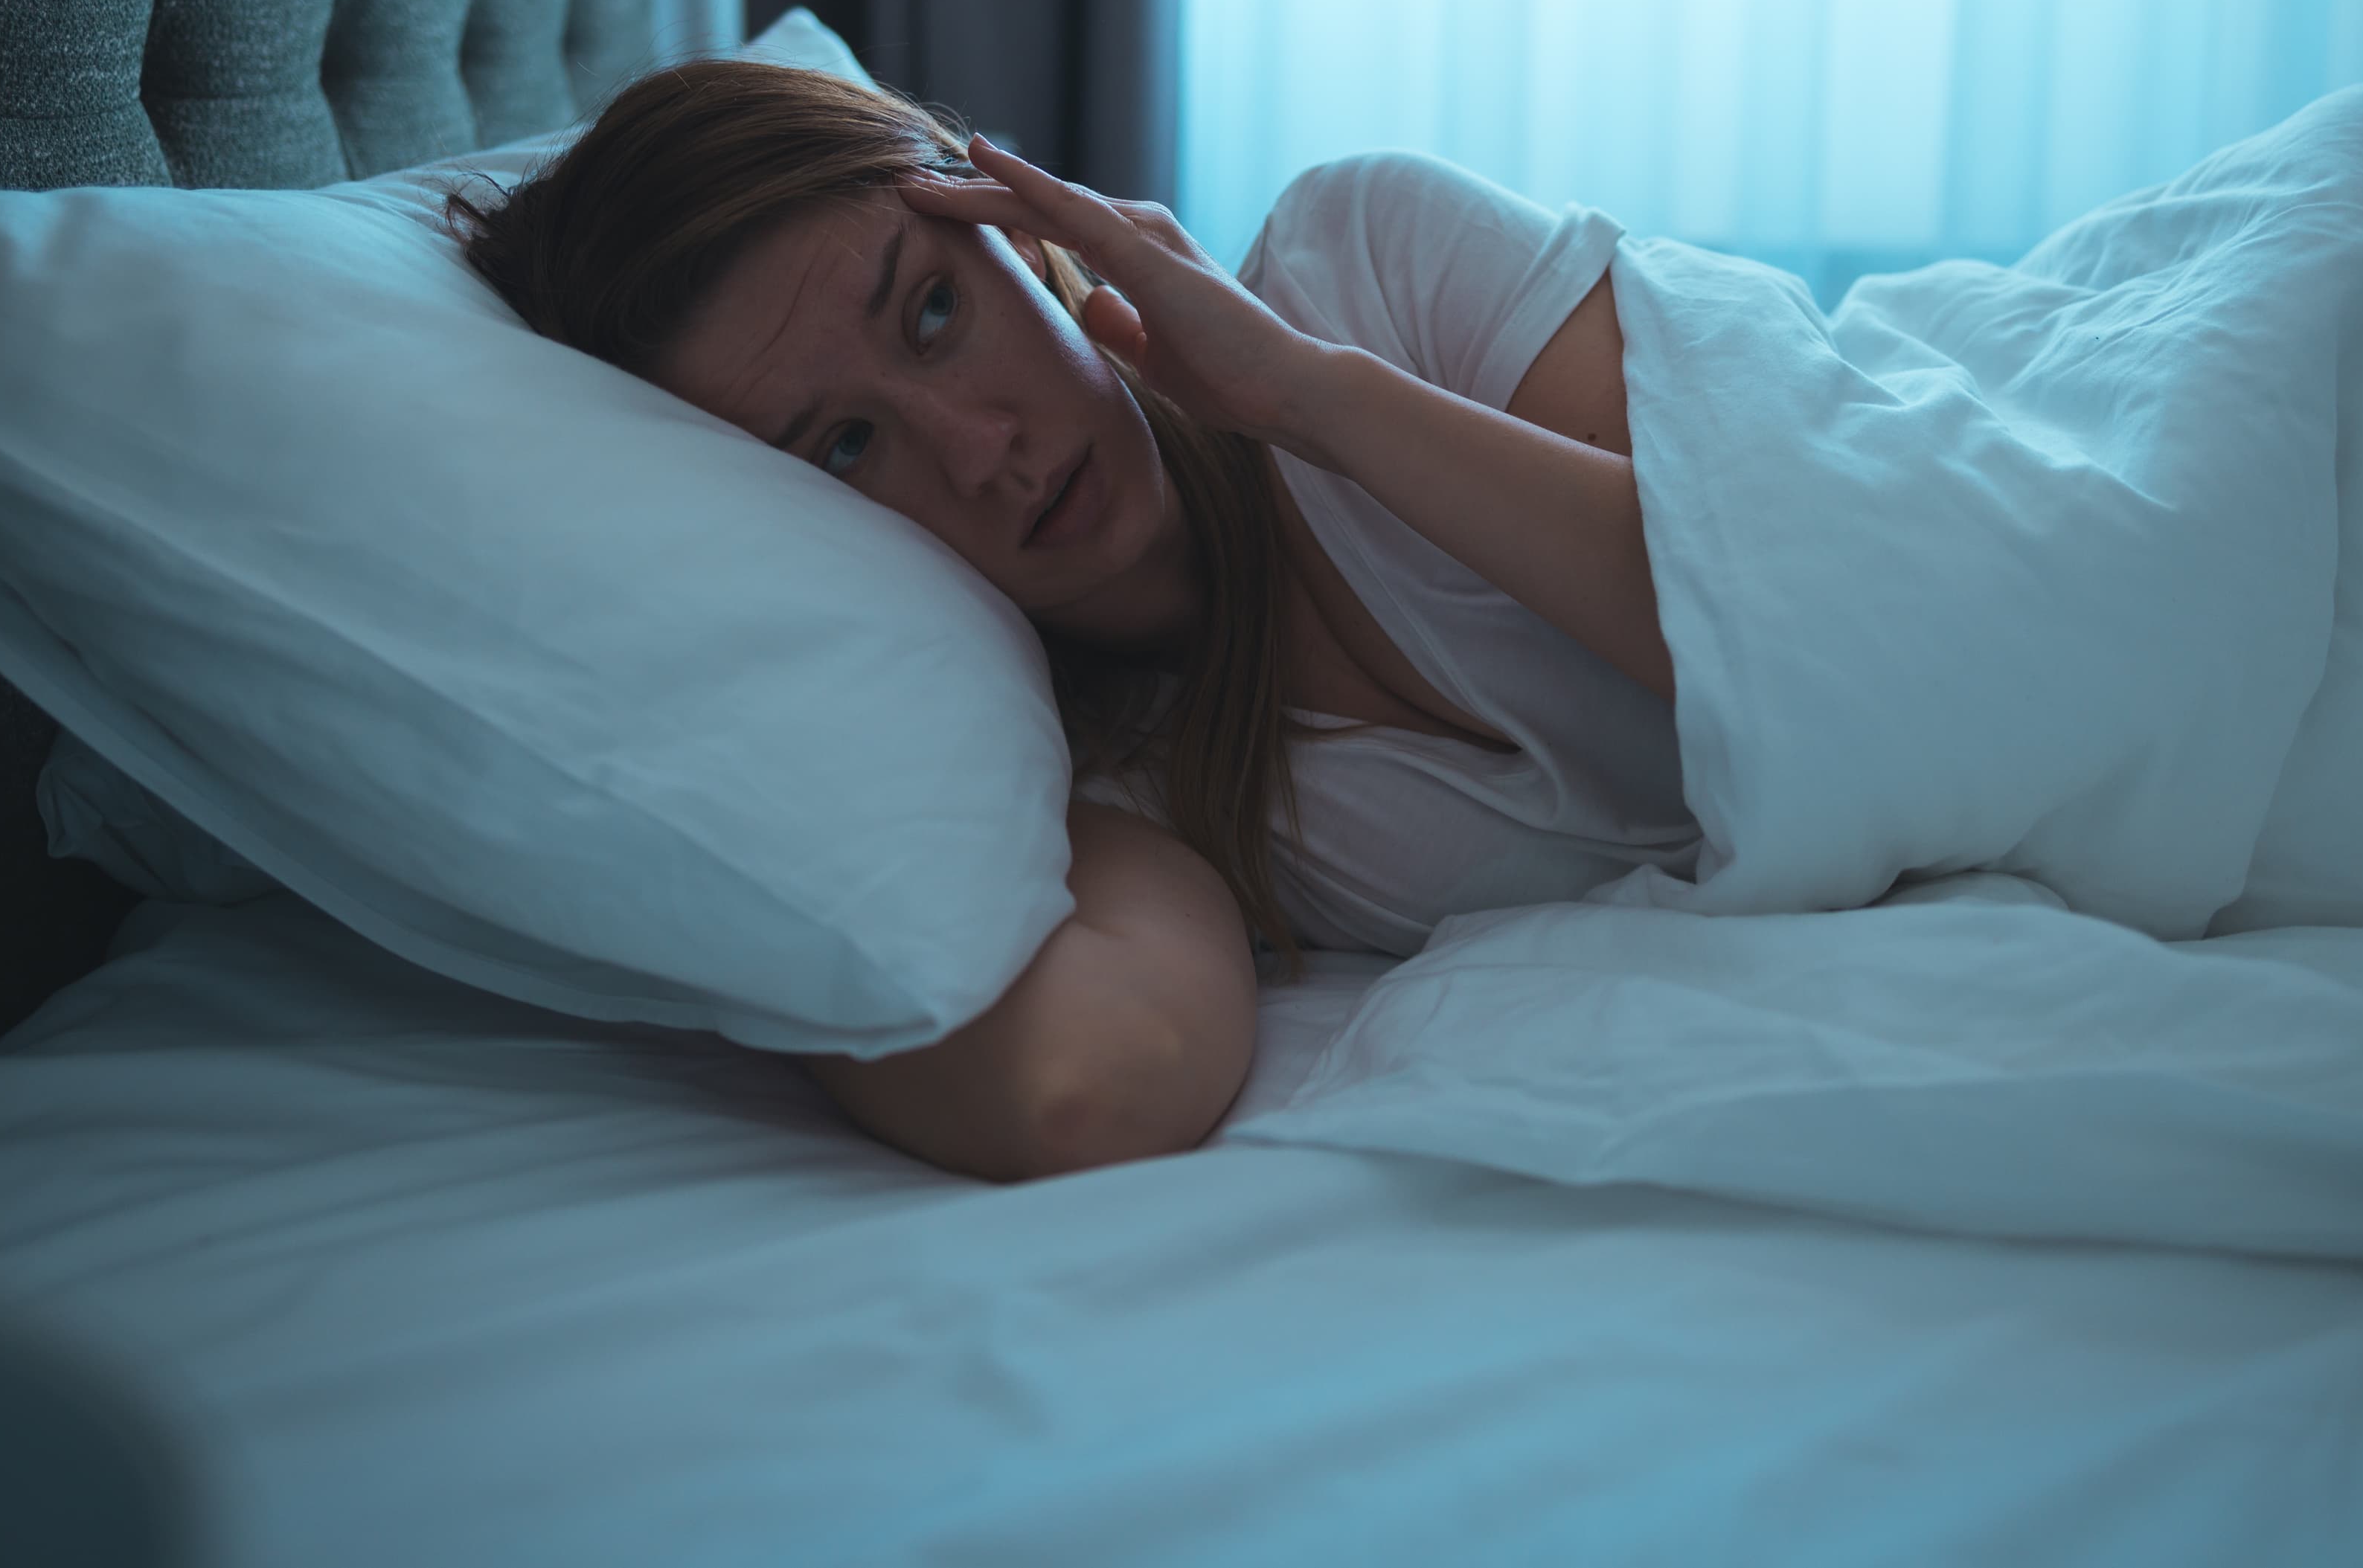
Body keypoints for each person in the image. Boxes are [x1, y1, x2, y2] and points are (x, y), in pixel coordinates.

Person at [450, 60, 1704, 1182]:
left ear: (1027, 237)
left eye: (934, 310)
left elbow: (1780, 599)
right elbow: (1082, 1089)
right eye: (843, 447)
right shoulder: (1117, 788)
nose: (980, 448)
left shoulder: (1369, 269)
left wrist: (1308, 399)